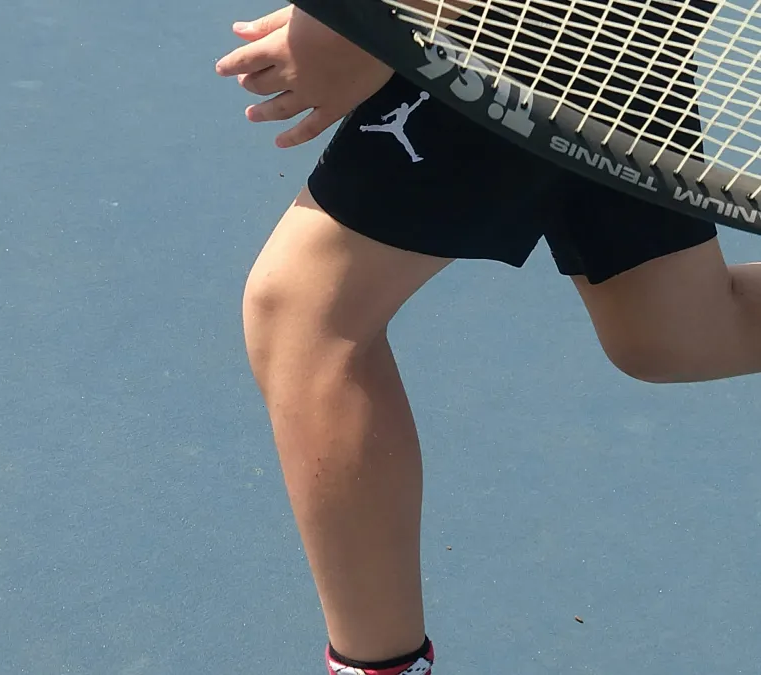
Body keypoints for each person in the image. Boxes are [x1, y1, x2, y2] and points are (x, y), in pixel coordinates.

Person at [215, 6, 761, 674]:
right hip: (613, 20)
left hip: (527, 20)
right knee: (675, 334)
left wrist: (357, 19)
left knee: (306, 310)